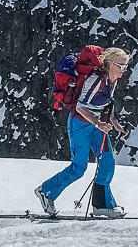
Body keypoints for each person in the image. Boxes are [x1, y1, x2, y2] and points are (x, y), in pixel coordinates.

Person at [36, 47, 130, 218]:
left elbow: (108, 102)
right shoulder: (95, 80)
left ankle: (102, 205)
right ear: (110, 64)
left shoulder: (112, 80)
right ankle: (46, 191)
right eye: (121, 66)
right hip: (80, 125)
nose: (124, 70)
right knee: (79, 168)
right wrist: (98, 123)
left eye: (126, 66)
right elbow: (80, 106)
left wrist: (114, 123)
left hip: (97, 126)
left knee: (107, 162)